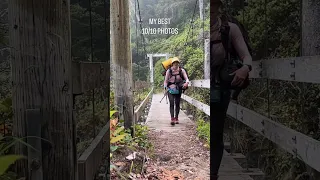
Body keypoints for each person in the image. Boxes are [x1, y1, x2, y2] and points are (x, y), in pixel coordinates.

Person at [210, 0, 253, 179]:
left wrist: (245, 68)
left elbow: (246, 56)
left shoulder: (230, 29)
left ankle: (213, 174)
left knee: (216, 132)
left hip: (220, 88)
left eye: (211, 4)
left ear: (217, 7)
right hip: (206, 87)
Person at [163, 57, 190, 125]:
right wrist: (165, 88)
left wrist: (186, 83)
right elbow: (166, 81)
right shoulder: (169, 71)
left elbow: (186, 79)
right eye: (174, 63)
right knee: (171, 103)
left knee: (177, 104)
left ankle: (176, 118)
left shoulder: (182, 70)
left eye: (177, 63)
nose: (176, 65)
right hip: (170, 89)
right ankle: (172, 119)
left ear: (178, 64)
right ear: (172, 64)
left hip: (178, 89)